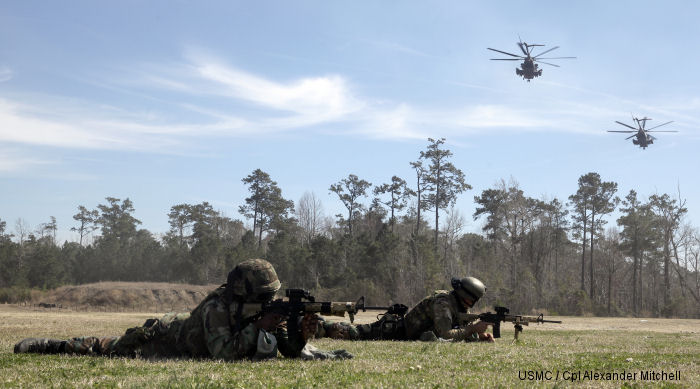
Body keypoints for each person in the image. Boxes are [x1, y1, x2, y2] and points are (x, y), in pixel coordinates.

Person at [15, 259, 351, 360]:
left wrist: (298, 335)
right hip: (167, 337)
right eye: (263, 297)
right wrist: (261, 326)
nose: (267, 303)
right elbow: (223, 353)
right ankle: (53, 344)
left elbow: (285, 349)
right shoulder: (218, 308)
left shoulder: (259, 311)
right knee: (108, 347)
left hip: (192, 335)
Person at [317, 276, 494, 342]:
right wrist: (472, 328)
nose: (473, 304)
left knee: (354, 333)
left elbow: (458, 330)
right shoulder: (443, 304)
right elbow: (447, 334)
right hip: (395, 330)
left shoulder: (457, 305)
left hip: (406, 332)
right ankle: (321, 325)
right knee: (353, 333)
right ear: (466, 296)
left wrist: (479, 336)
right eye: (473, 300)